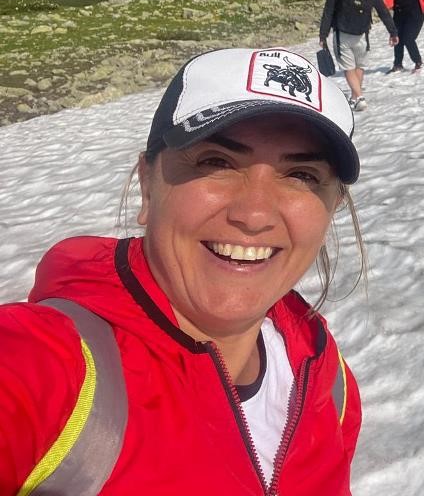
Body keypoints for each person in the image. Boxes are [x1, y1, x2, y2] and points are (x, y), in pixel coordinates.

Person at [0, 47, 364, 495]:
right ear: (148, 185)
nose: (254, 214)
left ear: (333, 206)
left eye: (302, 175)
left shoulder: (329, 380)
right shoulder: (47, 368)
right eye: (217, 162)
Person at [320, 0, 399, 112]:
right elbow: (382, 10)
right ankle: (355, 98)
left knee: (348, 68)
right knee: (359, 66)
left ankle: (359, 96)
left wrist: (323, 34)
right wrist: (393, 32)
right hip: (363, 34)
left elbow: (329, 11)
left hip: (343, 34)